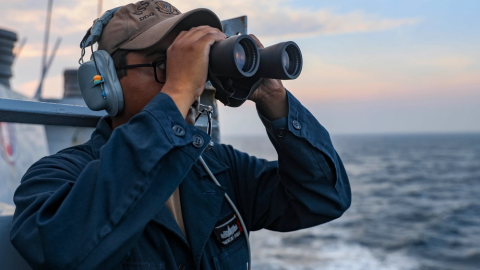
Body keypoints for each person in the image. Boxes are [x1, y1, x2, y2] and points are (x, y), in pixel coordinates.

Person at [10, 1, 351, 269]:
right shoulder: (57, 178)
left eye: (190, 63)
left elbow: (323, 197)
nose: (192, 78)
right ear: (107, 80)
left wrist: (275, 100)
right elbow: (62, 250)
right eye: (165, 64)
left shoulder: (217, 170)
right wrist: (175, 93)